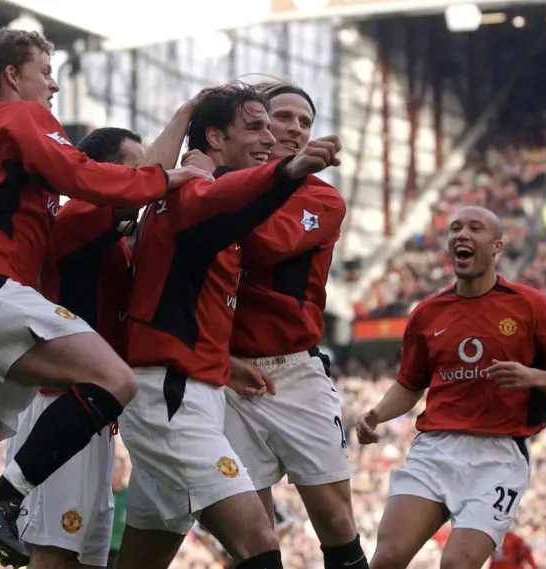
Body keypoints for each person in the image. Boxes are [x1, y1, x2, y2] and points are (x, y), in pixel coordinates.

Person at [0, 28, 209, 569]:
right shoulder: (20, 115)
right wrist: (167, 178)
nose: (54, 86)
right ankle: (2, 502)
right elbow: (79, 174)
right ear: (12, 75)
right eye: (46, 72)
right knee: (114, 379)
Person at [115, 84, 342, 569]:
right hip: (173, 395)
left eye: (301, 123)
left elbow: (144, 192)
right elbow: (234, 216)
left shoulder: (187, 188)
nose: (274, 137)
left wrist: (224, 361)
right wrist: (289, 171)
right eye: (260, 126)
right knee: (258, 540)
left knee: (143, 558)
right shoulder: (198, 190)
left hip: (198, 384)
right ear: (217, 138)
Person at [183, 80, 363, 569]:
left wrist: (215, 178)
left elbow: (264, 243)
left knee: (336, 521)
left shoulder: (322, 199)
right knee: (252, 534)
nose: (294, 128)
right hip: (224, 377)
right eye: (282, 117)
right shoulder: (212, 186)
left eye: (305, 122)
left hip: (294, 373)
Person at [356, 205, 546, 569]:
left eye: (475, 228)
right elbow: (410, 383)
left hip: (498, 457)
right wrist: (377, 413)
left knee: (456, 564)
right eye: (455, 228)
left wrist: (533, 377)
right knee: (387, 558)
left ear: (497, 246)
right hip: (435, 450)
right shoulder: (427, 313)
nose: (462, 234)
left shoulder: (532, 306)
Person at [6, 127, 145, 569]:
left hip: (94, 414)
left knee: (88, 558)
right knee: (53, 556)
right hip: (61, 406)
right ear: (103, 172)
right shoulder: (78, 216)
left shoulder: (112, 240)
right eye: (135, 166)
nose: (145, 176)